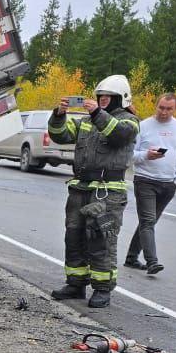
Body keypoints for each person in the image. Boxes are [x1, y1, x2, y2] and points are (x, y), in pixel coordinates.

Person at [47, 75, 140, 308]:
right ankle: (76, 284)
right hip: (80, 188)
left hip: (107, 192)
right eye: (100, 96)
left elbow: (117, 135)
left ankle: (102, 289)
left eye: (108, 97)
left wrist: (98, 113)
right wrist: (59, 114)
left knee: (100, 239)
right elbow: (61, 135)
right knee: (74, 236)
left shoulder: (129, 121)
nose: (103, 100)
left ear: (121, 99)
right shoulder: (87, 121)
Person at [125, 93, 176, 276]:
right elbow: (129, 154)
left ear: (175, 109)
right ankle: (152, 261)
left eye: (169, 109)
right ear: (156, 106)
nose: (164, 112)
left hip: (168, 184)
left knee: (150, 221)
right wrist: (147, 155)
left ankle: (131, 257)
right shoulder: (143, 126)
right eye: (161, 107)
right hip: (145, 180)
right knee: (147, 221)